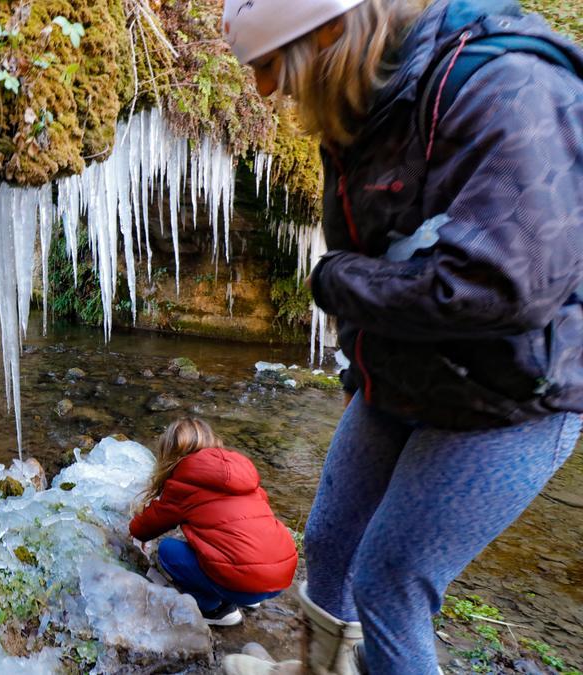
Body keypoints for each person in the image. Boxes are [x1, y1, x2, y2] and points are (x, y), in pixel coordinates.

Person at [220, 0, 583, 673]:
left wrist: (335, 282)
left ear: (329, 32)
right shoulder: (358, 102)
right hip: (402, 374)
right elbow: (375, 244)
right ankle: (325, 666)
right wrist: (361, 363)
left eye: (271, 65)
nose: (265, 90)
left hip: (514, 394)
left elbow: (503, 286)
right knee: (331, 546)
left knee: (389, 581)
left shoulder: (509, 86)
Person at [129, 418, 298, 627]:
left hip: (244, 583)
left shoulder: (185, 478)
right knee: (220, 538)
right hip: (280, 575)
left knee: (168, 551)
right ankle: (249, 595)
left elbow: (152, 522)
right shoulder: (241, 470)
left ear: (170, 454)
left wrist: (135, 531)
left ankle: (215, 609)